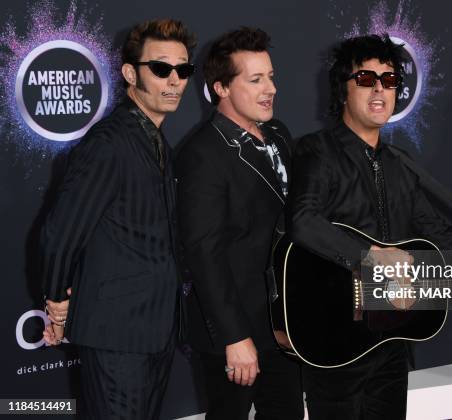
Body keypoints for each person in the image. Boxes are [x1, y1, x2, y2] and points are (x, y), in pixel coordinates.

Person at [288, 34, 452, 420]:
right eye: (366, 78)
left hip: (392, 335)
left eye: (389, 81)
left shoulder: (400, 164)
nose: (379, 89)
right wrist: (370, 256)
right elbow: (303, 221)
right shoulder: (317, 150)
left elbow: (438, 232)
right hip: (334, 336)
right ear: (343, 88)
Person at [40, 19, 196, 419]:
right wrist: (57, 303)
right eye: (161, 69)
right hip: (116, 334)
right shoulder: (109, 142)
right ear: (130, 73)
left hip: (155, 331)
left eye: (183, 70)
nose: (174, 80)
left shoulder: (158, 140)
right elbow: (61, 232)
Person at [176, 27, 303, 420]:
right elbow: (204, 253)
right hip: (237, 331)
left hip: (282, 324)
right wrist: (234, 336)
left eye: (271, 76)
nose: (270, 88)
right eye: (255, 79)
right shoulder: (202, 154)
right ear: (221, 88)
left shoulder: (279, 135)